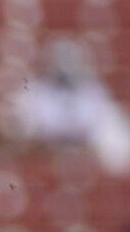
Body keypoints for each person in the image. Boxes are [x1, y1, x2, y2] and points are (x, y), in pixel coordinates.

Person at [7, 37, 130, 172]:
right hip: (45, 153)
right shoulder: (33, 92)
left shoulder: (93, 91)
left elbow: (99, 127)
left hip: (86, 153)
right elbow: (25, 132)